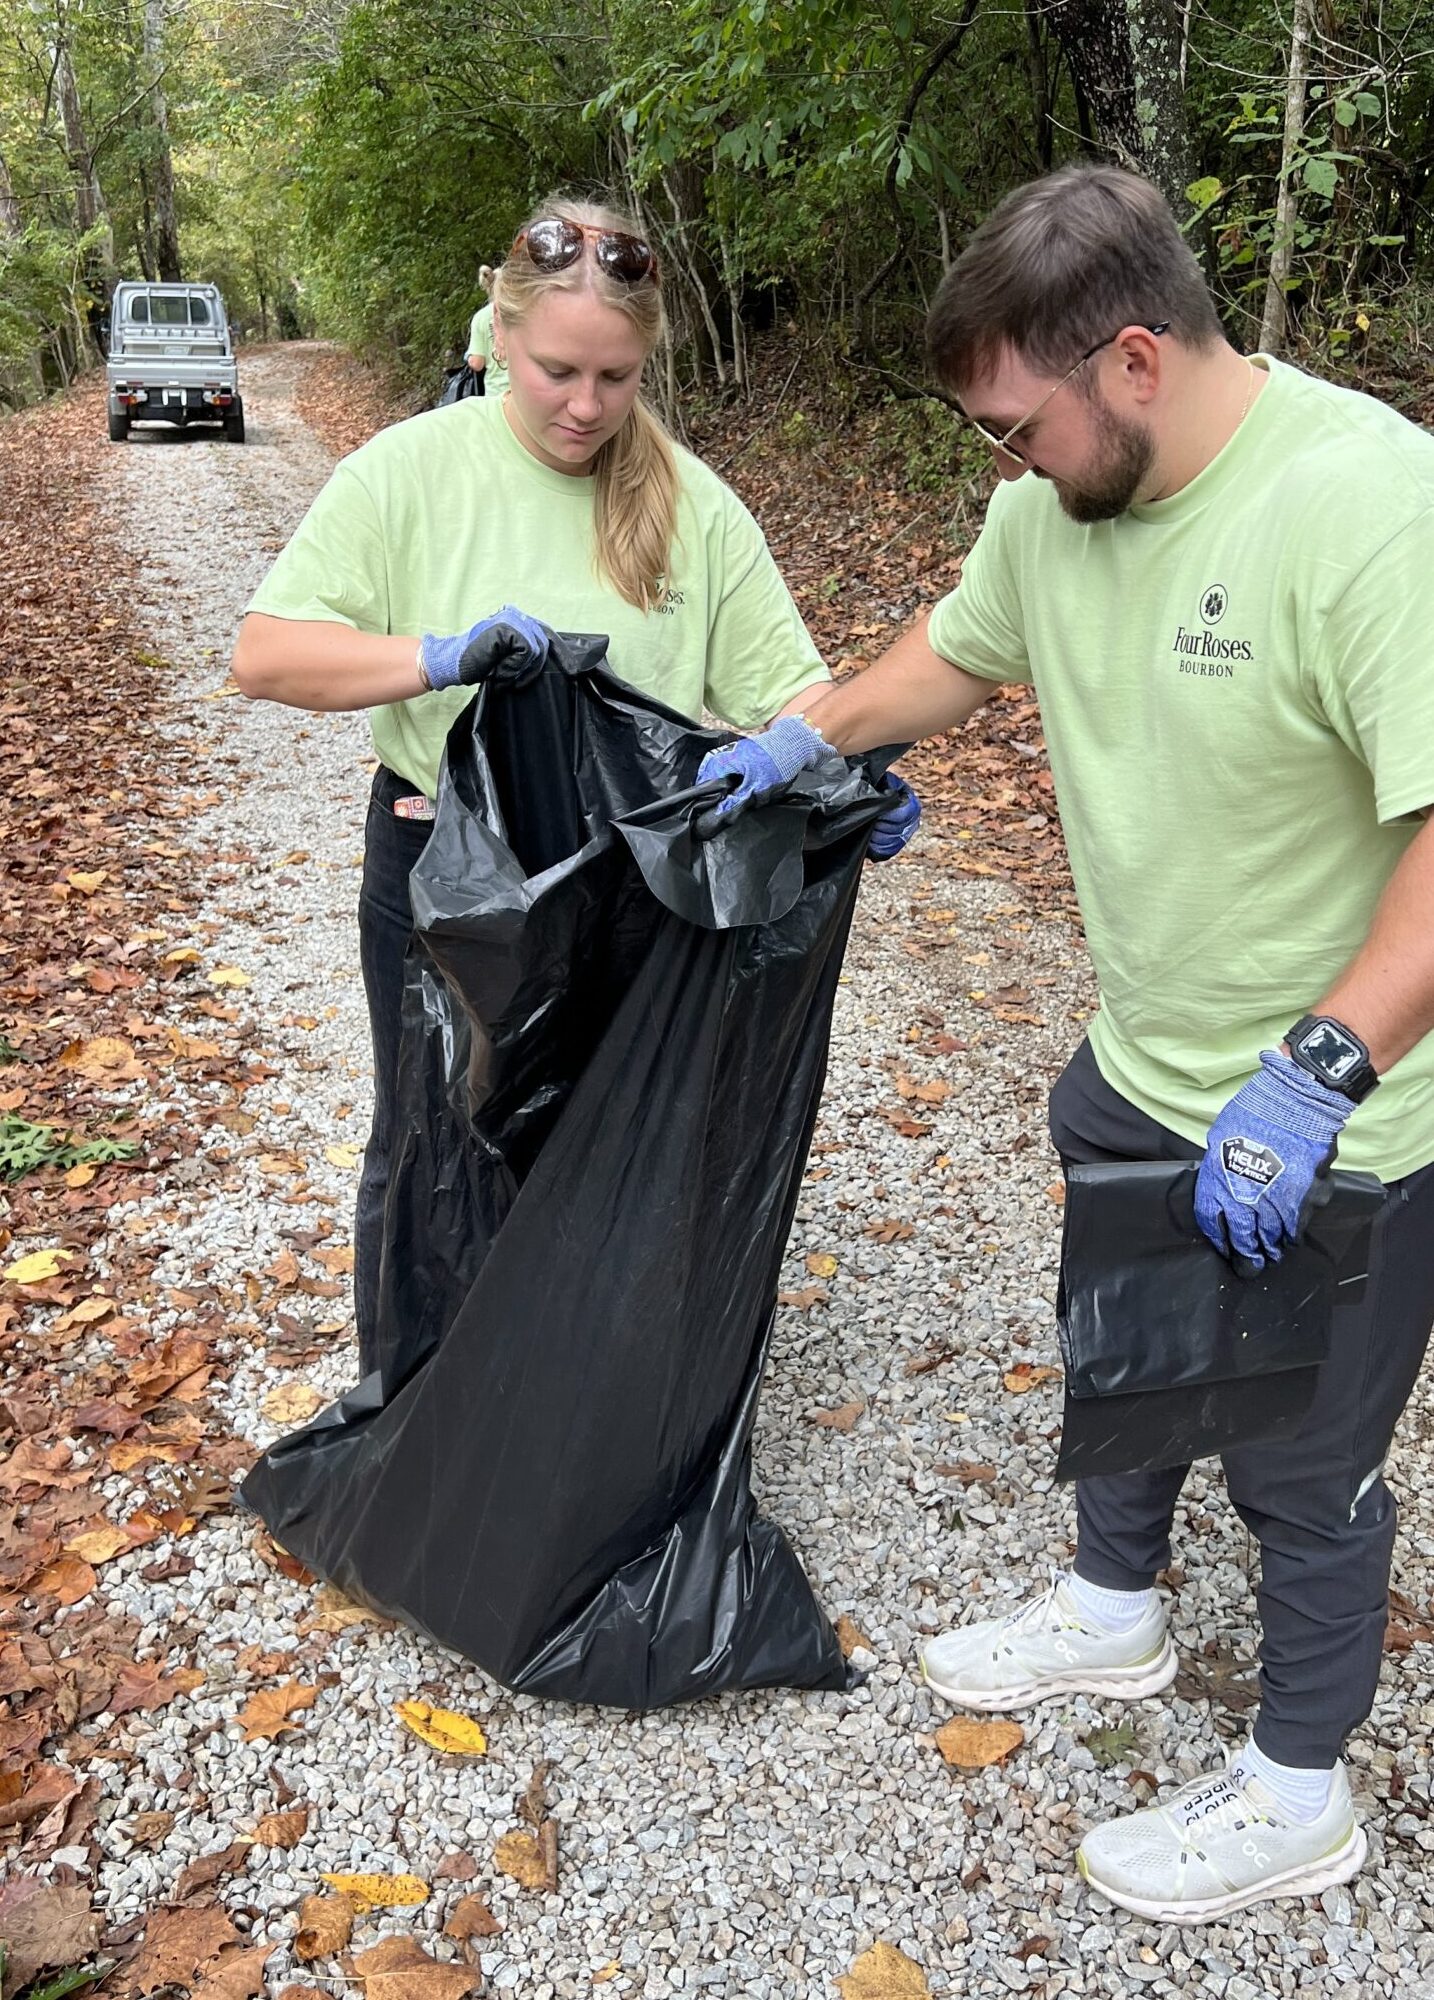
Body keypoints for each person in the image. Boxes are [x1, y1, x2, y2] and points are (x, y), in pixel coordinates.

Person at [701, 163, 1434, 1923]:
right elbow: (949, 657)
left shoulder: (1365, 508)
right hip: (1140, 1062)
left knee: (1298, 1469)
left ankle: (1297, 1788)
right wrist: (802, 739)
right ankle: (1111, 1613)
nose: (1004, 465)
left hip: (1335, 1114)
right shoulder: (1051, 513)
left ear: (1131, 360)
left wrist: (1319, 1069)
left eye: (1013, 427)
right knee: (1123, 1359)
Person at [231, 194, 919, 1380]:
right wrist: (437, 658)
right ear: (501, 333)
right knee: (439, 1146)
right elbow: (265, 654)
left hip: (627, 898)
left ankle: (575, 1423)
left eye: (616, 377)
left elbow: (795, 689)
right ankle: (424, 1417)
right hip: (446, 881)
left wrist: (838, 766)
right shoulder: (408, 475)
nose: (587, 406)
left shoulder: (693, 508)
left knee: (608, 1158)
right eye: (558, 371)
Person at [465, 267, 508, 396]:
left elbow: (477, 363)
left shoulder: (480, 318)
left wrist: (468, 357)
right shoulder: (521, 310)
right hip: (524, 390)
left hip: (495, 393)